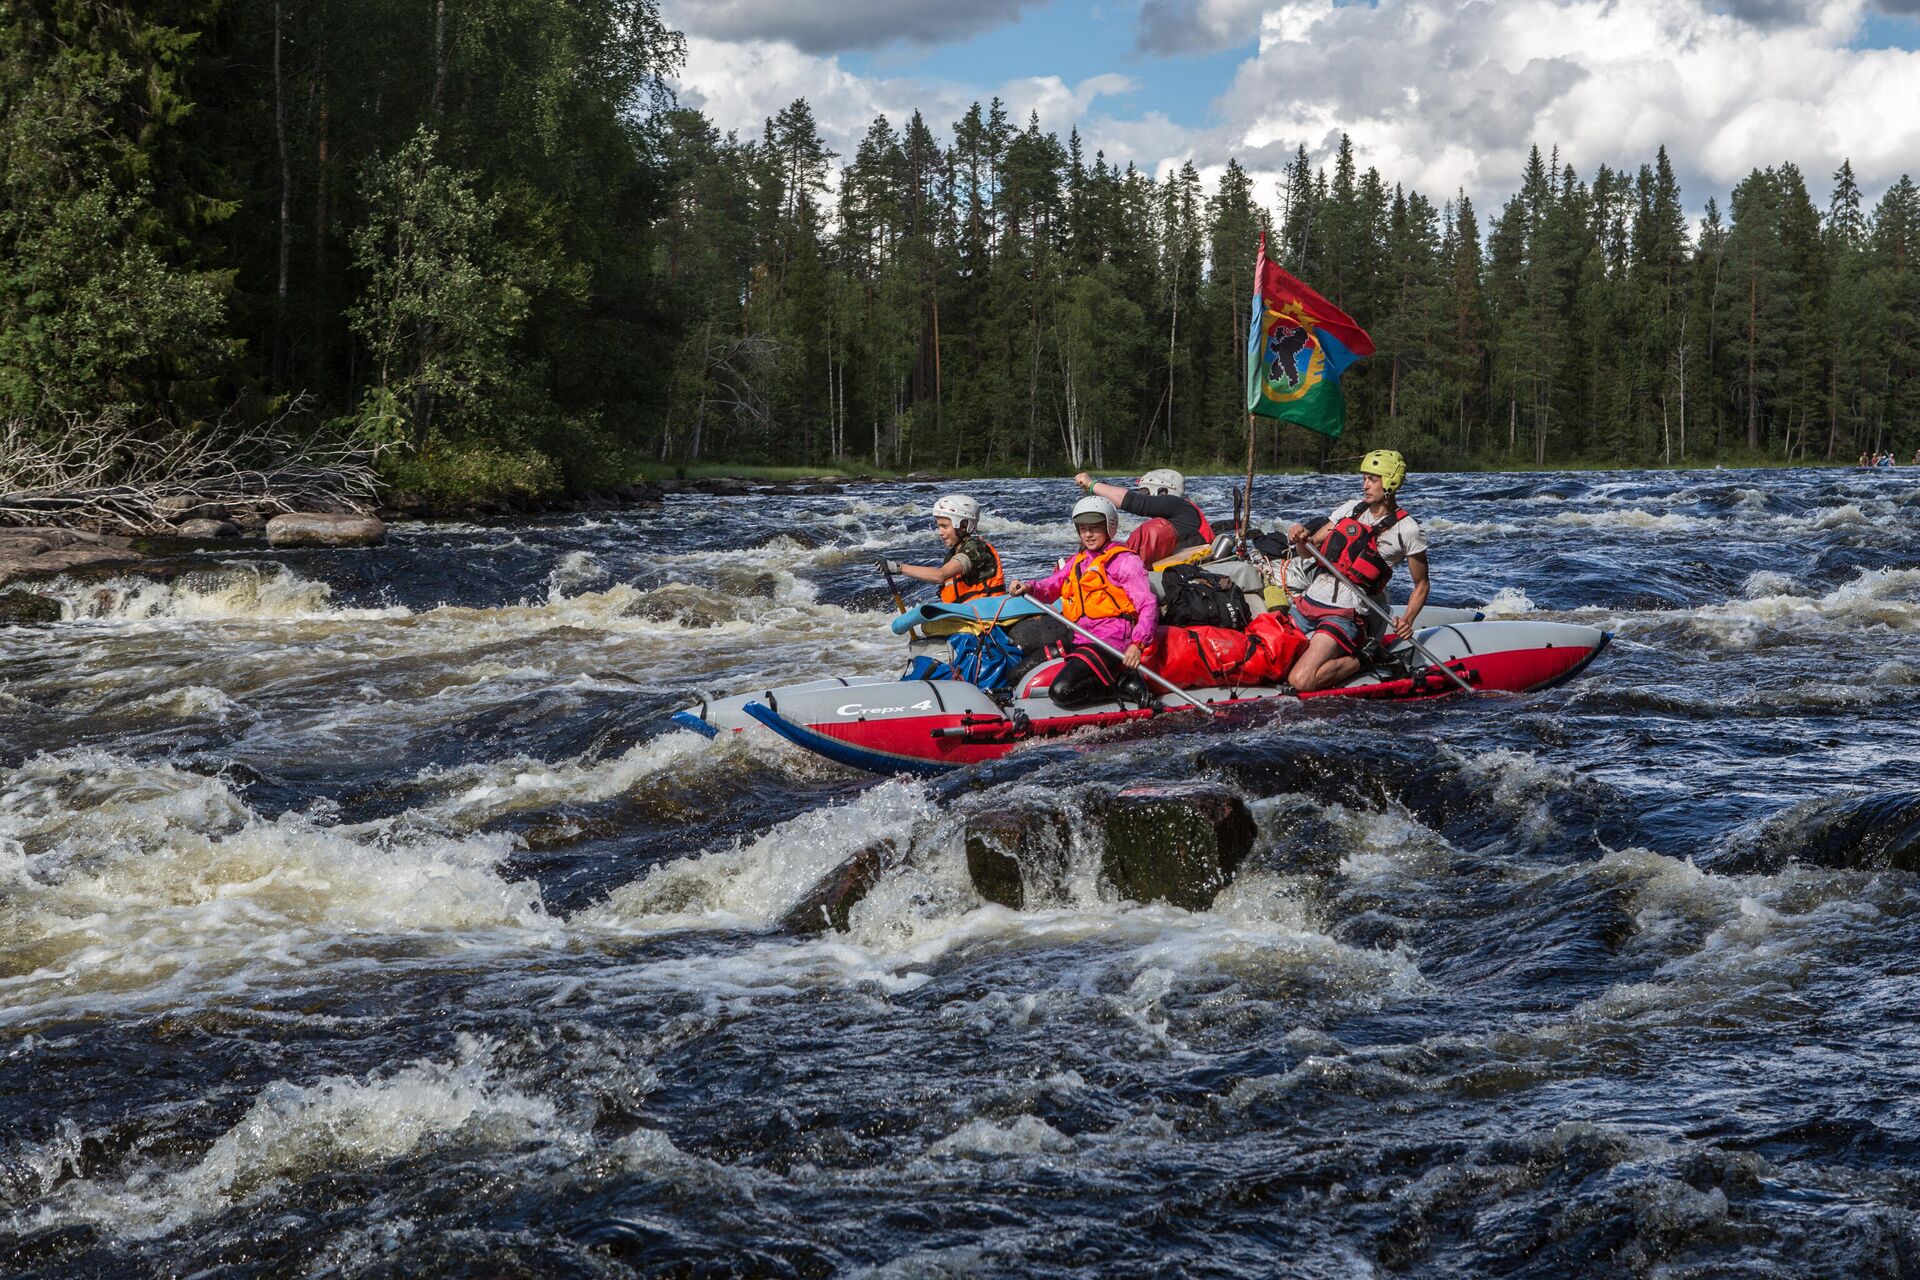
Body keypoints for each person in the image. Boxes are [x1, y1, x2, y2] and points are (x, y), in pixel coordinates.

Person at [1284, 449, 1430, 693]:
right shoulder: (1351, 509)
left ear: (1390, 482)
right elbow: (1309, 550)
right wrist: (1300, 538)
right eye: (1364, 478)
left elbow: (1422, 584)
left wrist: (1407, 620)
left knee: (1301, 680)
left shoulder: (1408, 530)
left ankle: (1367, 657)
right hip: (1308, 603)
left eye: (1372, 479)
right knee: (1270, 652)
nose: (1365, 485)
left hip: (1345, 614)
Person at [1008, 495, 1158, 707]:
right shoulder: (1079, 561)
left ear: (1109, 526)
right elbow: (1053, 585)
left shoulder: (1125, 561)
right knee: (1016, 674)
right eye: (1083, 528)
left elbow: (1148, 605)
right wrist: (1029, 587)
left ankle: (1123, 683)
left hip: (1111, 641)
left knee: (1061, 691)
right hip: (1080, 637)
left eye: (1094, 528)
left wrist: (1137, 645)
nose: (1087, 534)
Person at [879, 494, 1005, 604]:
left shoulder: (976, 547)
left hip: (989, 614)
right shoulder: (953, 554)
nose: (940, 532)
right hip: (967, 616)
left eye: (944, 526)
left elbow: (940, 575)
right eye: (939, 526)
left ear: (964, 525)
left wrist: (899, 568)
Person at [1073, 468, 1215, 553]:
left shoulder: (1178, 505)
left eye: (1145, 491)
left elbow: (1133, 502)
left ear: (1164, 491)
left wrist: (1091, 484)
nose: (1143, 495)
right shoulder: (1181, 514)